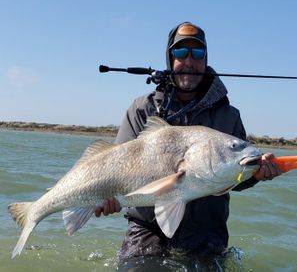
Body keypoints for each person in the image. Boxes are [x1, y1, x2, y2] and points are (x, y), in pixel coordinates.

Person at [95, 22, 282, 261]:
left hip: (207, 233)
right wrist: (104, 198)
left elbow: (234, 177)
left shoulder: (229, 116)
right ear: (170, 58)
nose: (189, 61)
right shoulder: (143, 109)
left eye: (198, 53)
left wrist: (254, 174)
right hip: (146, 229)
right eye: (181, 53)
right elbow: (115, 166)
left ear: (206, 59)